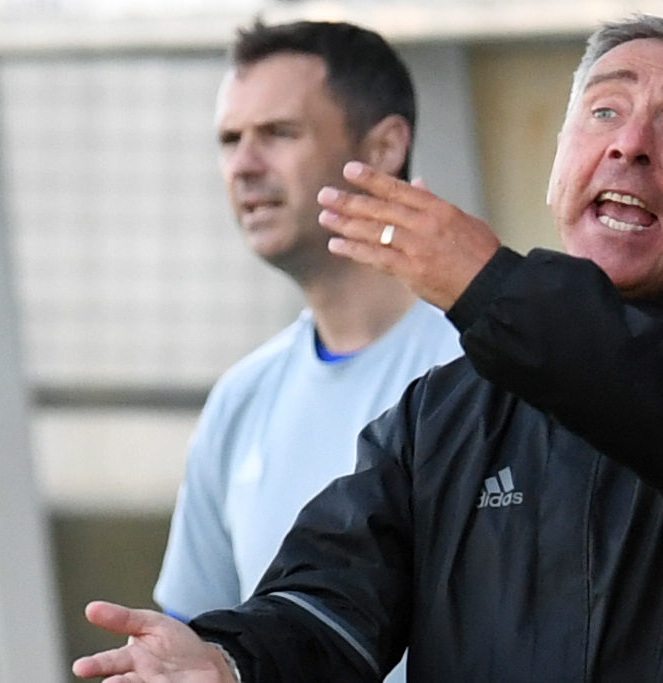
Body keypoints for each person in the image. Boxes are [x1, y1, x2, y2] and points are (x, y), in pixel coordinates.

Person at [74, 14, 663, 682]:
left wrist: (494, 289)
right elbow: (329, 605)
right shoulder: (445, 406)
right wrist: (229, 659)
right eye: (603, 112)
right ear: (559, 165)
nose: (630, 144)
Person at [150, 19, 461, 682]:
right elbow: (195, 648)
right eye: (230, 139)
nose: (244, 164)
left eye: (279, 133)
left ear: (382, 148)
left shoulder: (484, 369)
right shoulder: (241, 398)